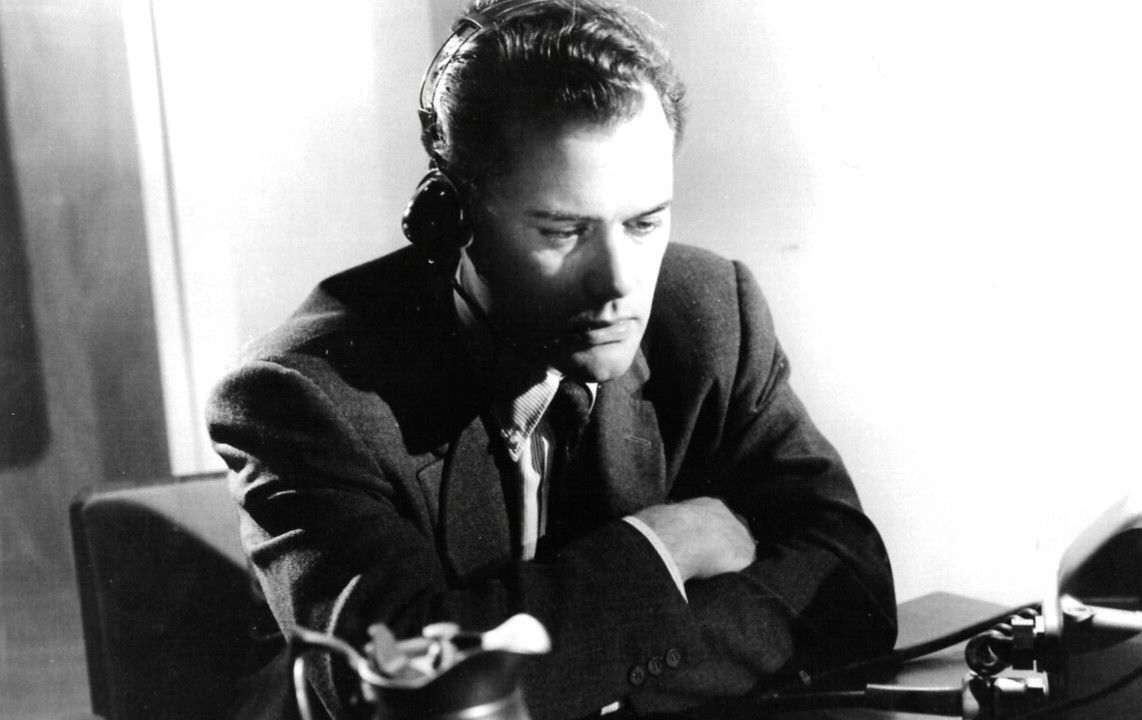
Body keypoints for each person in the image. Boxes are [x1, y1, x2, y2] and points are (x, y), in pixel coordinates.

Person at [206, 1, 896, 718]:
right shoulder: (299, 396)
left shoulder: (713, 313)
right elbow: (417, 700)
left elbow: (850, 586)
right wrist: (664, 546)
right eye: (564, 231)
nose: (619, 283)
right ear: (452, 220)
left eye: (645, 222)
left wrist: (584, 679)